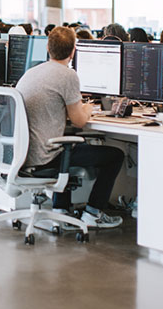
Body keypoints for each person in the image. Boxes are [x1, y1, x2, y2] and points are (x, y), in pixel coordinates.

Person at [16, 26, 124, 228]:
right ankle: (93, 214)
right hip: (45, 157)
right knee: (115, 155)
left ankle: (60, 209)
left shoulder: (32, 72)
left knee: (65, 143)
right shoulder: (67, 75)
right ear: (74, 51)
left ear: (48, 48)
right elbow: (80, 121)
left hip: (23, 154)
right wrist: (88, 108)